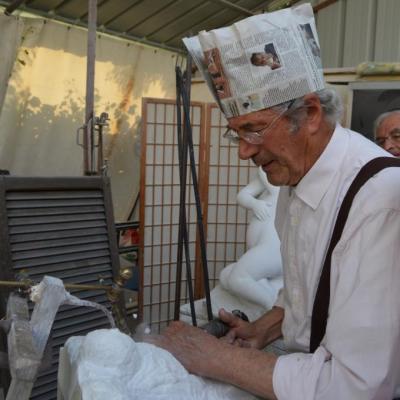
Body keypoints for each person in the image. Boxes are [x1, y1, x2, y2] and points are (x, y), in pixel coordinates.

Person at [146, 6, 400, 399]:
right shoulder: (295, 176)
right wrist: (266, 326)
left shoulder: (381, 201)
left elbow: (359, 387)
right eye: (236, 135)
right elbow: (310, 281)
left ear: (311, 113)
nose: (244, 153)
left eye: (253, 130)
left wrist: (215, 356)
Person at [219, 166, 283, 310]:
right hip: (264, 249)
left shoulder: (286, 185)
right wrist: (255, 204)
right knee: (225, 276)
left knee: (237, 278)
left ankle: (272, 308)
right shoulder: (268, 180)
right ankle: (270, 299)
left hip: (274, 249)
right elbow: (243, 195)